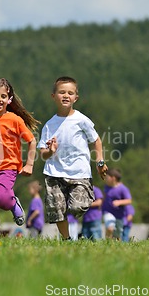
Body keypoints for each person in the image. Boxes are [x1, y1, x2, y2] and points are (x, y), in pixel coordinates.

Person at [37, 76, 107, 240]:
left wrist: (100, 161)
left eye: (70, 93)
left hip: (79, 172)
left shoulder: (81, 120)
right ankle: (67, 239)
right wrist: (50, 151)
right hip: (54, 172)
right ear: (53, 96)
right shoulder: (49, 124)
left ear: (76, 97)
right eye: (62, 92)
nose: (66, 96)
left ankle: (85, 198)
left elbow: (96, 140)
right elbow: (42, 152)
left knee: (77, 207)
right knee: (57, 211)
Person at [0, 78, 39, 236]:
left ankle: (13, 203)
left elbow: (31, 140)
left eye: (3, 96)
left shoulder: (15, 120)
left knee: (1, 198)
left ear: (9, 99)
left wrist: (29, 164)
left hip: (8, 168)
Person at [102, 168, 132, 240]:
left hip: (119, 214)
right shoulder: (106, 187)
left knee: (117, 234)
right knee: (110, 228)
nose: (105, 179)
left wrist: (119, 202)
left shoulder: (123, 189)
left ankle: (116, 246)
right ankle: (107, 242)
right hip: (108, 212)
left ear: (113, 178)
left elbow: (129, 201)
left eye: (107, 177)